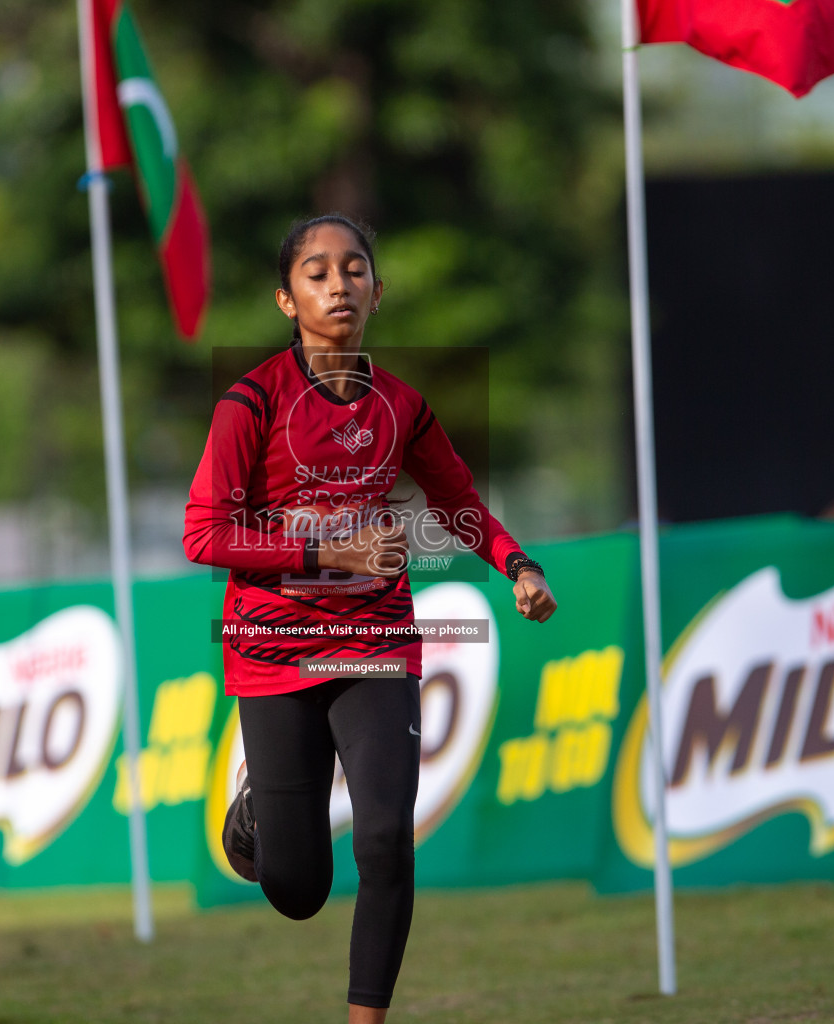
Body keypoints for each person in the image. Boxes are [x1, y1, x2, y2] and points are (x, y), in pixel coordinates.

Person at [182, 214, 557, 1023]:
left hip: (380, 641)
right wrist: (329, 556)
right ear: (287, 299)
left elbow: (457, 503)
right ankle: (257, 816)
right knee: (297, 890)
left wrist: (518, 566)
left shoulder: (403, 406)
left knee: (386, 838)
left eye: (354, 270)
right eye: (316, 273)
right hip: (273, 646)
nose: (338, 284)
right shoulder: (248, 403)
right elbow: (203, 534)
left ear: (377, 294)